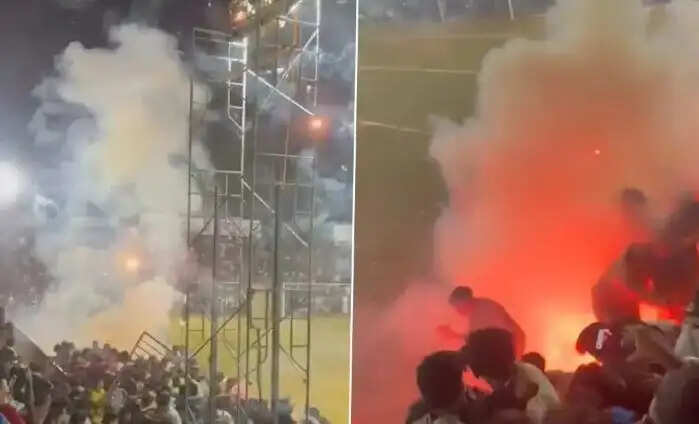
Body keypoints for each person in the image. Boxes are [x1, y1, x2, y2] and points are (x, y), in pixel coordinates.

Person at [465, 329, 560, 424]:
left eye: (486, 376)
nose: (486, 381)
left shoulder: (527, 377)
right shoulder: (511, 381)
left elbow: (536, 417)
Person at [438, 286, 526, 357]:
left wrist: (453, 335)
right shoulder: (477, 309)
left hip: (512, 343)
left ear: (466, 302)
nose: (457, 310)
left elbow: (477, 338)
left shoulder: (483, 310)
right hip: (505, 344)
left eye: (458, 306)